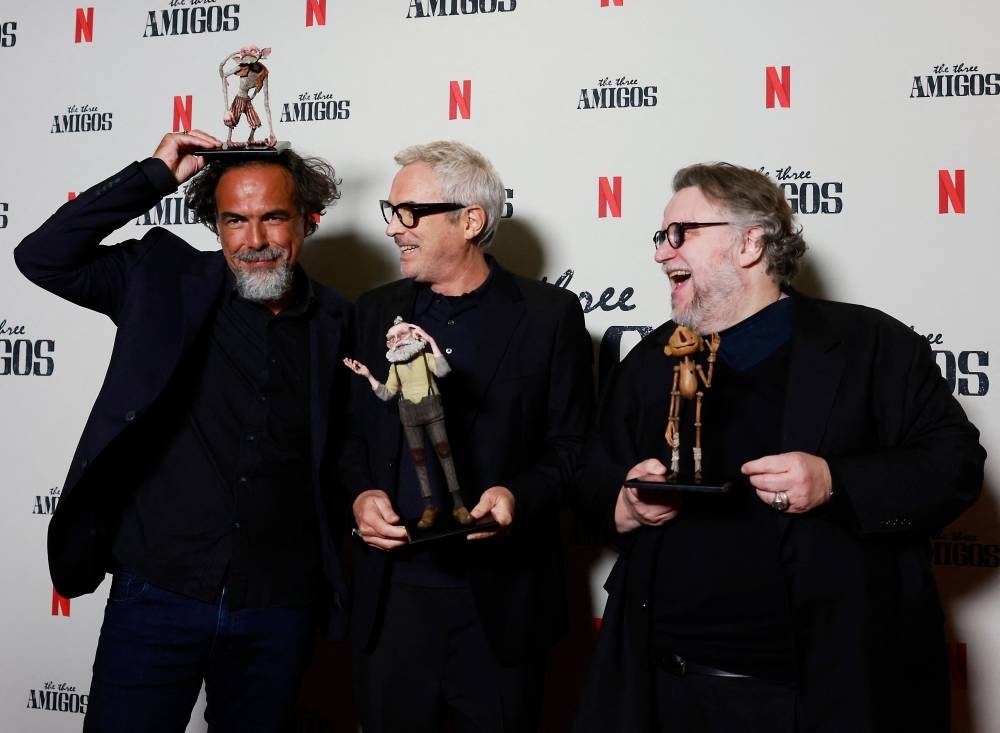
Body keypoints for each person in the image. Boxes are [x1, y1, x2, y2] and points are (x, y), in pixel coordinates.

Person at [572, 162, 985, 733]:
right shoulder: (651, 359)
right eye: (660, 237)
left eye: (679, 234)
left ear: (749, 243)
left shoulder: (869, 345)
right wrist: (623, 502)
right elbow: (590, 478)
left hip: (818, 696)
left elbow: (956, 465)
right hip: (664, 688)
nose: (662, 254)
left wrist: (835, 481)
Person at [14, 130, 352, 733]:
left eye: (274, 218)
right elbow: (42, 255)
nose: (254, 241)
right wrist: (154, 175)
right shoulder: (159, 278)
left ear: (308, 220)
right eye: (234, 221)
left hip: (279, 607)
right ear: (214, 225)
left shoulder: (342, 322)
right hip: (158, 593)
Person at [340, 140, 594, 733]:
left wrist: (517, 498)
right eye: (390, 210)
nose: (393, 229)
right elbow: (350, 439)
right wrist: (359, 496)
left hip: (500, 612)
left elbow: (573, 448)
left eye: (410, 214)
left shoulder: (549, 315)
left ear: (471, 220)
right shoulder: (373, 311)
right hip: (391, 609)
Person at [344, 316, 469, 529]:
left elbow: (444, 371)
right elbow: (386, 394)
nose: (397, 340)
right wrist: (368, 376)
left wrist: (430, 340)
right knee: (418, 459)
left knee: (445, 453)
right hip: (409, 414)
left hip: (432, 409)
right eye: (392, 339)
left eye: (401, 334)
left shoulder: (425, 357)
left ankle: (458, 504)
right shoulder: (395, 368)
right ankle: (429, 506)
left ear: (414, 333)